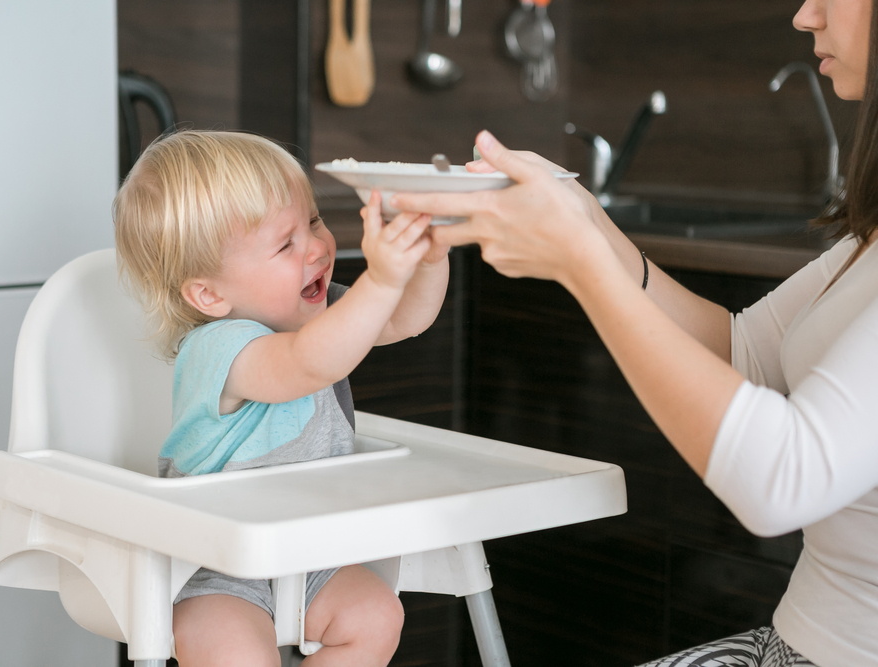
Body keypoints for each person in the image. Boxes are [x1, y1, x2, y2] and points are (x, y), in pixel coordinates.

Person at [392, 0, 878, 665]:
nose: (804, 15)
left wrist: (581, 263)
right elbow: (744, 353)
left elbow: (781, 481)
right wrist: (585, 220)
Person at [112, 130, 450, 667]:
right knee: (235, 654)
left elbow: (406, 319)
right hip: (211, 567)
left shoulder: (320, 315)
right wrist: (381, 280)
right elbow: (310, 362)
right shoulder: (218, 348)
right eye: (284, 244)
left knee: (377, 615)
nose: (316, 247)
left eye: (313, 221)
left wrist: (427, 261)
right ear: (210, 295)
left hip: (313, 551)